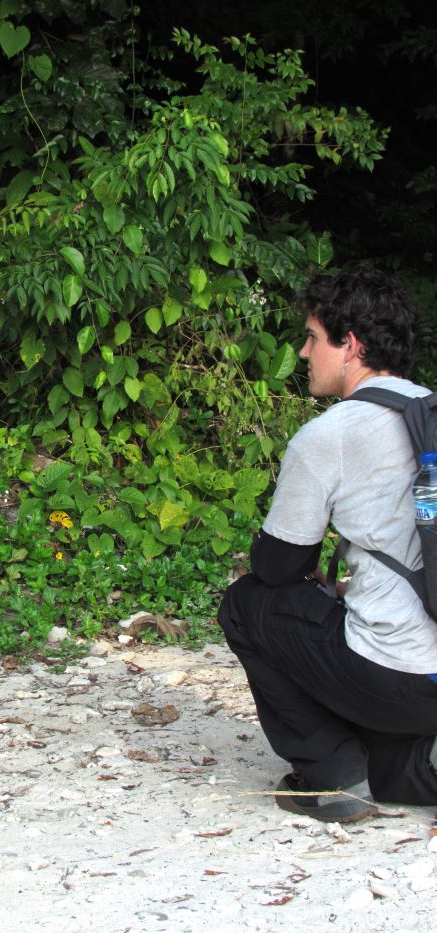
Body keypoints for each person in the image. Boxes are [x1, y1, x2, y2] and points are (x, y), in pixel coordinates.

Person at [218, 264, 437, 823]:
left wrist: (318, 581)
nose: (302, 352)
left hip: (398, 677)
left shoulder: (332, 434)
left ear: (351, 345)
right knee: (390, 755)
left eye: (313, 337)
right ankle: (411, 760)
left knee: (247, 604)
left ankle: (333, 774)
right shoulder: (429, 412)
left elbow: (277, 565)